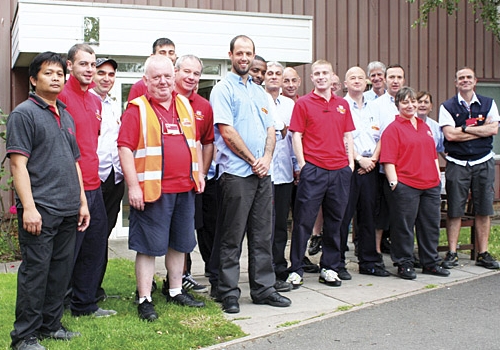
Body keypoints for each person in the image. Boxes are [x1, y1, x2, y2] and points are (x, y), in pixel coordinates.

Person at [7, 51, 89, 350]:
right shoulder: (24, 114)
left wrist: (82, 202)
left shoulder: (65, 114)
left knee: (59, 273)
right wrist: (28, 207)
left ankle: (51, 326)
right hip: (41, 210)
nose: (56, 78)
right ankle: (24, 337)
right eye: (48, 73)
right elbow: (18, 165)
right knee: (35, 274)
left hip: (68, 209)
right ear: (33, 79)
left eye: (59, 73)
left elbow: (74, 162)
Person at [118, 55, 206, 322]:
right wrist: (133, 186)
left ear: (175, 76)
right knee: (147, 247)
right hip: (152, 190)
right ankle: (144, 298)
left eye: (167, 76)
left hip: (184, 188)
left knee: (180, 244)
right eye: (156, 77)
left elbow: (196, 142)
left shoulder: (185, 106)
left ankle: (175, 290)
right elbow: (125, 148)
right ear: (146, 80)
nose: (163, 82)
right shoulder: (138, 109)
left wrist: (199, 171)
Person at [210, 35, 291, 314]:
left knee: (262, 235)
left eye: (249, 53)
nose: (244, 58)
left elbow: (271, 129)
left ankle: (263, 289)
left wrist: (266, 159)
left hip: (262, 175)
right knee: (232, 236)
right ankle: (228, 291)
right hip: (236, 174)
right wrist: (252, 159)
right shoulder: (222, 89)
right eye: (240, 53)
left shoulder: (260, 92)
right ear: (230, 54)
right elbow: (226, 130)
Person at [59, 44, 116, 318]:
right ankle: (54, 309)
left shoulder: (95, 101)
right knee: (67, 254)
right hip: (70, 188)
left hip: (95, 186)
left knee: (94, 248)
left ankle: (84, 305)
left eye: (92, 65)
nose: (90, 70)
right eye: (84, 64)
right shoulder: (61, 96)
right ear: (69, 65)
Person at [287, 59, 355, 289]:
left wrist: (350, 164)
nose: (321, 76)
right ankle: (296, 269)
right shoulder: (304, 103)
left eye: (325, 73)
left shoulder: (342, 105)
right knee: (303, 221)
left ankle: (329, 267)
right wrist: (303, 164)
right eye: (316, 73)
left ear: (332, 76)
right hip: (314, 169)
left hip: (339, 170)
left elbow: (348, 136)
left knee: (336, 222)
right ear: (312, 78)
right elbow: (296, 135)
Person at [380, 87, 450, 279]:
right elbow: (388, 159)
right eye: (405, 102)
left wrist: (437, 179)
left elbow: (433, 154)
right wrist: (394, 183)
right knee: (403, 227)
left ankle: (430, 262)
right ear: (398, 105)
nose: (410, 105)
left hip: (430, 185)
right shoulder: (393, 129)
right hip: (406, 185)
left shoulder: (425, 126)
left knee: (430, 225)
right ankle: (404, 263)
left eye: (413, 101)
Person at [439, 67, 500, 270]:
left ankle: (482, 253)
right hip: (457, 163)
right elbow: (450, 136)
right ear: (456, 83)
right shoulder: (447, 106)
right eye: (461, 78)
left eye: (468, 78)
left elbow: (493, 129)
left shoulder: (488, 103)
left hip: (483, 162)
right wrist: (478, 131)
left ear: (475, 81)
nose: (465, 81)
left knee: (484, 208)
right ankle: (453, 252)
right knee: (455, 209)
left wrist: (464, 129)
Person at [166, 54, 214, 294]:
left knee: (186, 231)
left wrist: (201, 175)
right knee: (165, 232)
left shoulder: (204, 106)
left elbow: (207, 143)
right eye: (187, 71)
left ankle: (183, 276)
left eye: (196, 74)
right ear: (175, 72)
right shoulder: (163, 100)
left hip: (192, 182)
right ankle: (167, 280)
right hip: (164, 183)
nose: (191, 77)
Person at [339, 66, 389, 279]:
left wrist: (373, 160)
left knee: (369, 215)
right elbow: (341, 136)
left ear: (367, 81)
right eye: (352, 78)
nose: (357, 81)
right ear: (345, 83)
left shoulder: (376, 107)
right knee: (342, 215)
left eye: (360, 77)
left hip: (371, 166)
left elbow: (383, 135)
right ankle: (336, 262)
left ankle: (368, 261)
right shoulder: (340, 106)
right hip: (348, 166)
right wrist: (359, 159)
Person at [91, 57, 125, 301]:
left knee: (103, 234)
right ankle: (80, 291)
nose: (106, 78)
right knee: (90, 235)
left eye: (111, 74)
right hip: (94, 178)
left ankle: (95, 288)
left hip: (114, 178)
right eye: (101, 72)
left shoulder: (113, 105)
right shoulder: (85, 102)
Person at [264, 61, 296, 292]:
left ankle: (279, 267)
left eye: (278, 74)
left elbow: (294, 138)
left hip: (284, 173)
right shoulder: (258, 99)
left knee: (281, 226)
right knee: (265, 226)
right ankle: (263, 269)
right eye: (270, 73)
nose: (274, 77)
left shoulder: (289, 104)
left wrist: (296, 167)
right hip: (264, 173)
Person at [372, 64, 406, 255]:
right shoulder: (376, 105)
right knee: (380, 212)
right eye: (391, 77)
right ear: (385, 80)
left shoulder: (410, 103)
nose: (395, 81)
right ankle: (376, 252)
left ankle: (402, 251)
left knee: (402, 213)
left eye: (398, 77)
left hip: (405, 166)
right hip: (381, 166)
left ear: (403, 80)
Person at [127, 38, 177, 102]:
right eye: (162, 53)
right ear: (152, 56)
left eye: (171, 53)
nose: (167, 56)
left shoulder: (182, 84)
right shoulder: (139, 87)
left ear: (175, 56)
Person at [416, 91, 446, 160]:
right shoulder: (407, 124)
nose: (422, 105)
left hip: (429, 165)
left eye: (426, 102)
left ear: (431, 106)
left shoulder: (436, 127)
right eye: (419, 102)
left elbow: (441, 148)